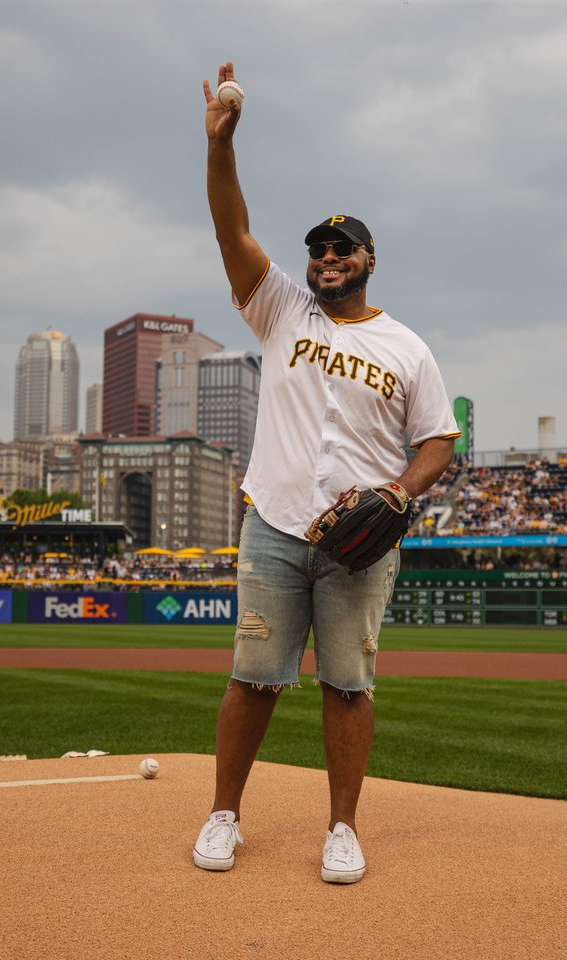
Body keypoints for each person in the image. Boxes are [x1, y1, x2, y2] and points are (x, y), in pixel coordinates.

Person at [192, 61, 460, 884]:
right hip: (274, 523)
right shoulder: (281, 308)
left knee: (348, 686)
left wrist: (402, 492)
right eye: (318, 248)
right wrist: (221, 146)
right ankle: (223, 815)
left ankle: (342, 829)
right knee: (254, 678)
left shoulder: (407, 346)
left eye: (342, 247)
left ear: (370, 258)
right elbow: (232, 230)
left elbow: (440, 439)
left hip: (359, 544)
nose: (327, 256)